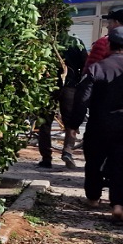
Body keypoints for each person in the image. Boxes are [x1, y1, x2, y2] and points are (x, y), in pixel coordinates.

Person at [69, 26, 123, 223]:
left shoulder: (97, 68)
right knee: (121, 164)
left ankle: (93, 199)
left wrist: (74, 125)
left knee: (94, 162)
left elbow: (82, 99)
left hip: (99, 124)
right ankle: (118, 205)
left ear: (108, 44)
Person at [38, 31, 87, 169]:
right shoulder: (76, 42)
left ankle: (46, 158)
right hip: (70, 86)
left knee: (45, 122)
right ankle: (68, 151)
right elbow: (85, 64)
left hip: (49, 86)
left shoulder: (45, 42)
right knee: (71, 122)